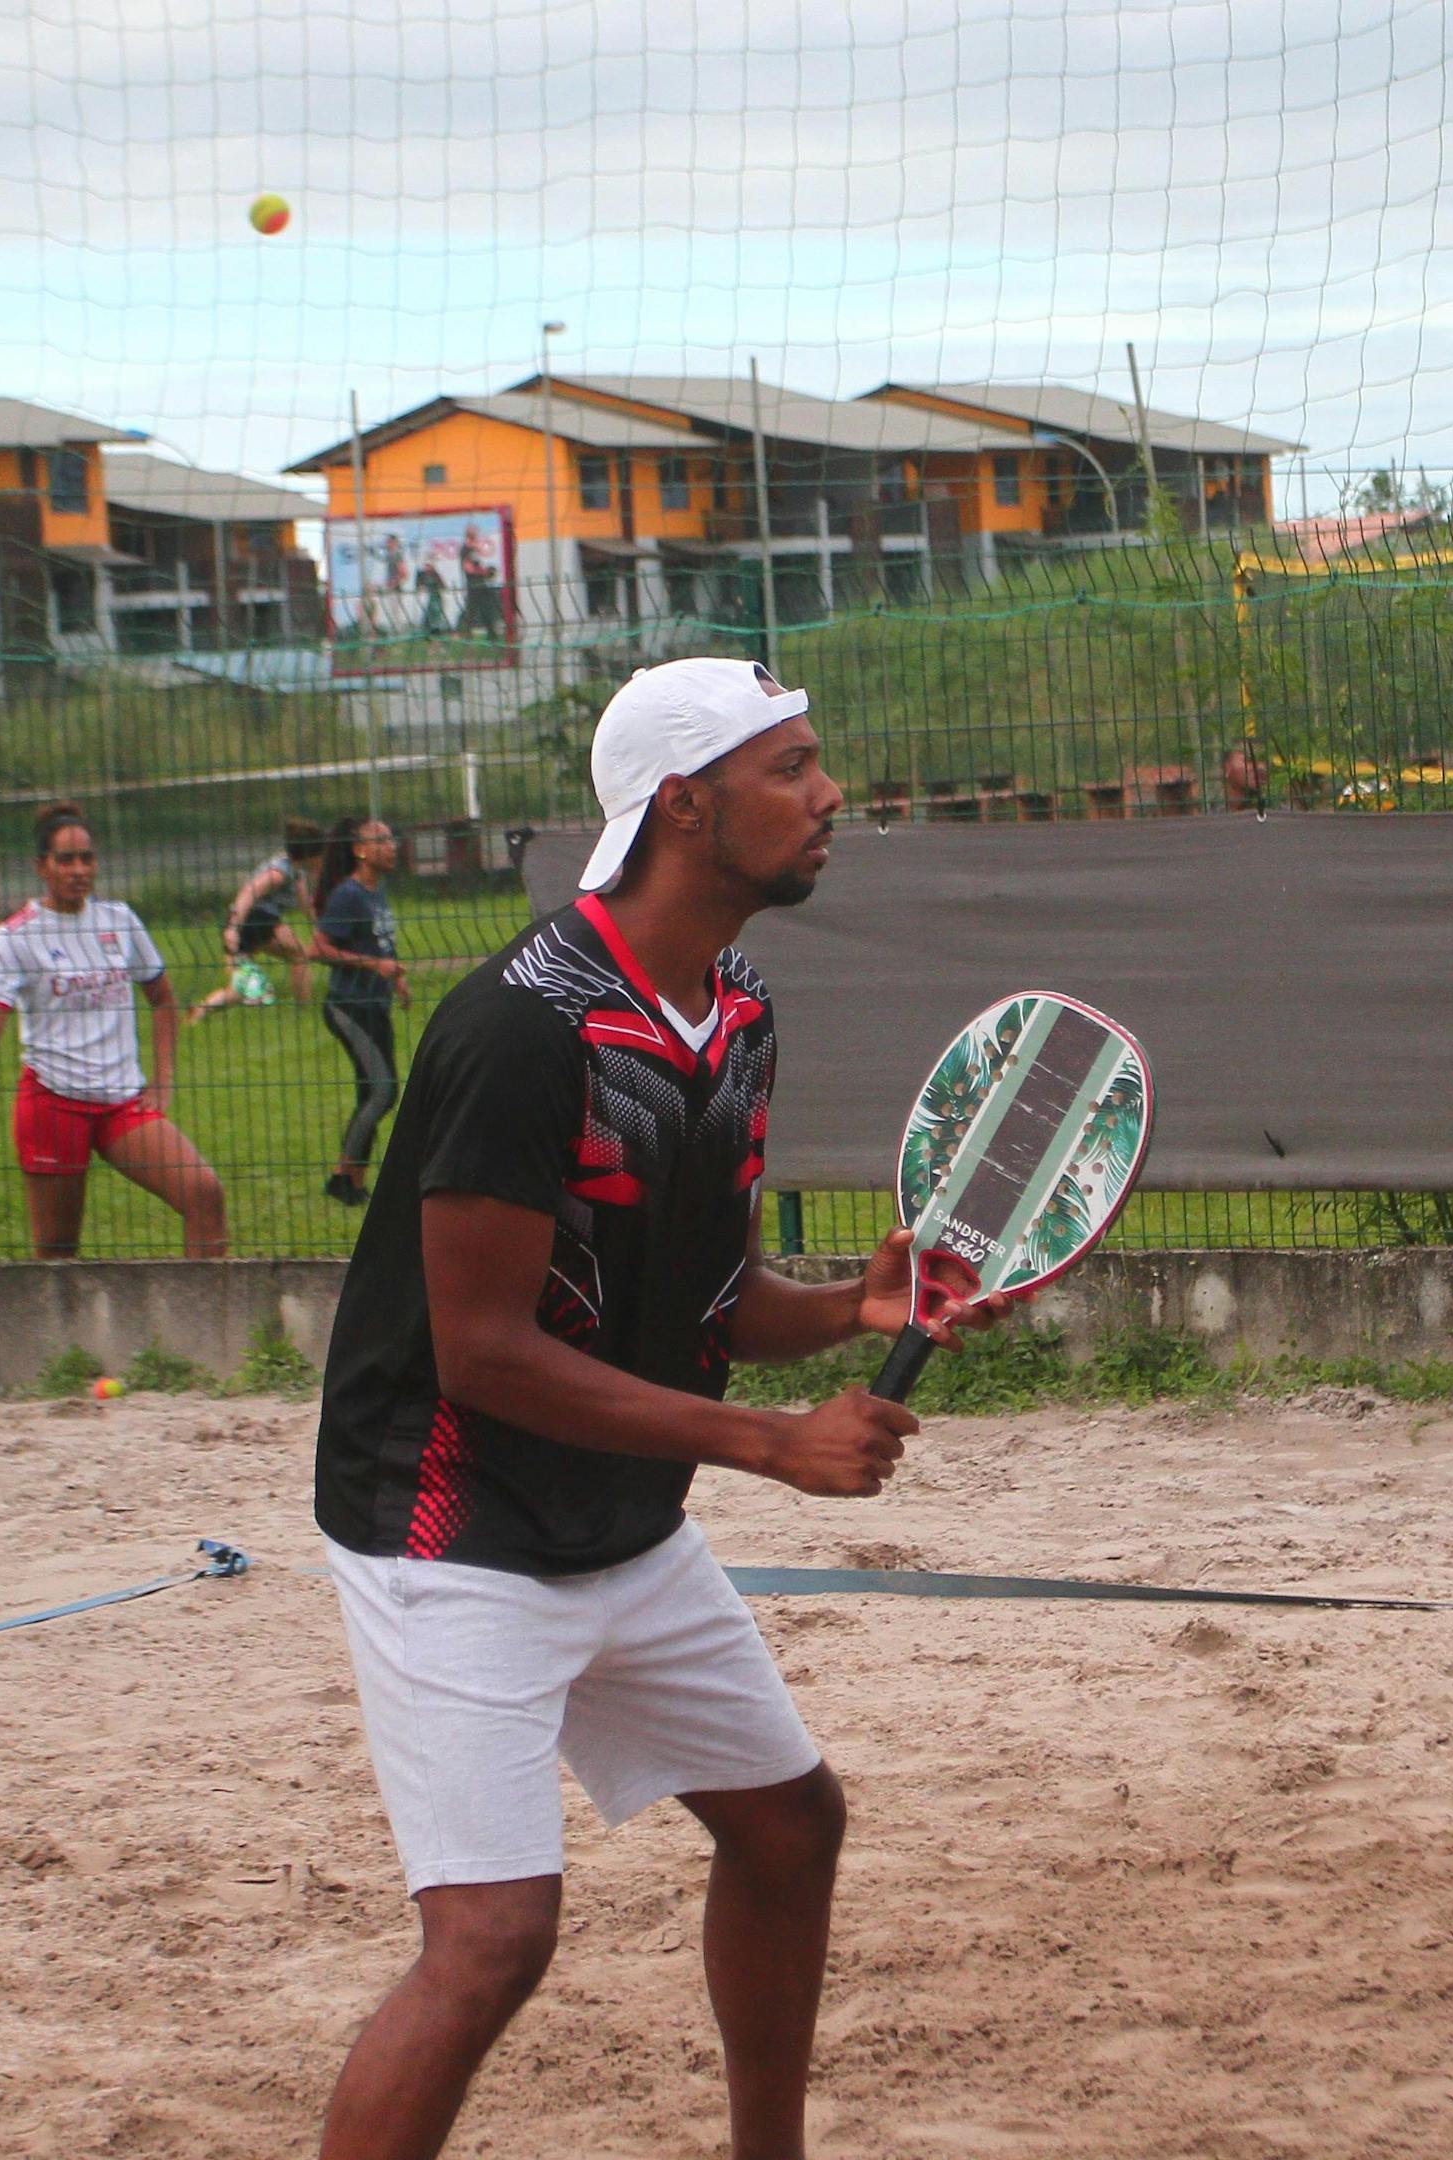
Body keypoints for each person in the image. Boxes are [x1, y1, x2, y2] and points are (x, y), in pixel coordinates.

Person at [308, 655, 1021, 2160]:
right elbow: (485, 1351)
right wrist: (773, 1444)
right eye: (794, 767)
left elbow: (706, 1303)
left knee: (786, 1827)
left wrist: (856, 1309)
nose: (831, 795)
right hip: (453, 1525)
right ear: (686, 809)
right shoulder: (517, 1028)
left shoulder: (737, 1012)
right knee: (494, 1940)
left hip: (618, 1522)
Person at [0, 803, 230, 1259]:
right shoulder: (15, 936)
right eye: (66, 860)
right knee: (58, 1254)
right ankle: (62, 1334)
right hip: (53, 1104)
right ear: (41, 866)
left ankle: (208, 1328)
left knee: (204, 1193)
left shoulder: (118, 920)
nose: (80, 870)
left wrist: (163, 1079)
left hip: (122, 1104)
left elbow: (163, 997)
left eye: (87, 858)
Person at [313, 815, 408, 1206]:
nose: (392, 846)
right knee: (383, 1092)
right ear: (360, 850)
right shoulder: (348, 895)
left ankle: (354, 1181)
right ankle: (340, 1175)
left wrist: (395, 976)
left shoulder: (376, 891)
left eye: (391, 838)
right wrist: (374, 968)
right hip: (348, 1007)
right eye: (381, 840)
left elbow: (379, 945)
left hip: (375, 1004)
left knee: (372, 1092)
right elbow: (318, 948)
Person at [199, 839, 314, 1013]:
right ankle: (304, 1009)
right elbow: (248, 892)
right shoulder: (280, 872)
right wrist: (233, 927)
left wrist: (321, 924)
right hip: (254, 922)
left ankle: (201, 1010)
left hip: (254, 923)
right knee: (298, 955)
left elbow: (305, 903)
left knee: (242, 989)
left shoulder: (296, 871)